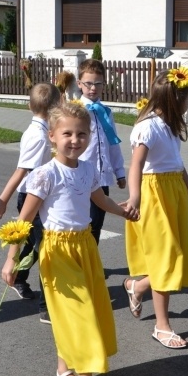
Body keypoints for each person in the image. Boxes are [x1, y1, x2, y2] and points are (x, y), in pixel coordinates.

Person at [0, 103, 138, 376]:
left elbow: (99, 201)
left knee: (89, 309)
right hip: (58, 252)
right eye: (67, 134)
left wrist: (124, 211)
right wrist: (12, 260)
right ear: (52, 136)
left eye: (82, 134)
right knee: (80, 316)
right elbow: (23, 221)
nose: (75, 140)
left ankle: (65, 370)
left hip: (85, 248)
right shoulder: (44, 175)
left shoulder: (88, 170)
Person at [122, 67, 188, 349]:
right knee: (166, 260)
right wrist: (134, 197)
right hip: (154, 195)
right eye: (186, 99)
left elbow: (176, 165)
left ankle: (137, 286)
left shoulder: (168, 126)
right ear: (175, 99)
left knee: (175, 256)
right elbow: (136, 164)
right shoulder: (147, 126)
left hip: (172, 194)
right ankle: (162, 326)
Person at [0, 82, 61, 323]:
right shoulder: (39, 137)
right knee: (44, 250)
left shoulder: (38, 131)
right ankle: (47, 308)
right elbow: (21, 171)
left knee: (35, 243)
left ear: (29, 105)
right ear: (56, 106)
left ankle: (19, 278)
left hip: (38, 194)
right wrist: (3, 199)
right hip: (33, 197)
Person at [77, 59, 127, 248]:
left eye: (98, 84)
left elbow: (112, 143)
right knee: (82, 224)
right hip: (80, 177)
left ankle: (91, 265)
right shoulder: (76, 110)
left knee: (96, 224)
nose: (93, 88)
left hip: (101, 178)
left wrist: (119, 172)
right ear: (79, 83)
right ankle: (79, 266)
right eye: (88, 83)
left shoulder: (106, 111)